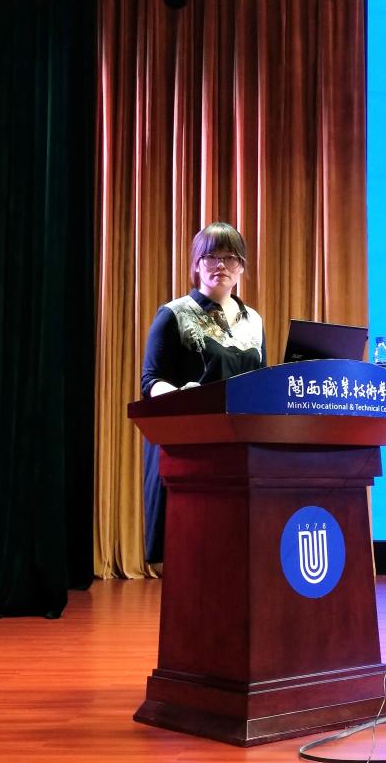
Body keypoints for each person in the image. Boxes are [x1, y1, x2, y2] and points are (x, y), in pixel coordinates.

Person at [140, 222, 266, 564]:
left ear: (242, 267)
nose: (221, 265)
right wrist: (184, 398)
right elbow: (151, 381)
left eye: (230, 257)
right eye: (211, 257)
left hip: (241, 444)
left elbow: (261, 379)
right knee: (193, 548)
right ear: (197, 264)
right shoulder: (174, 314)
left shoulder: (253, 320)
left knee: (236, 547)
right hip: (192, 443)